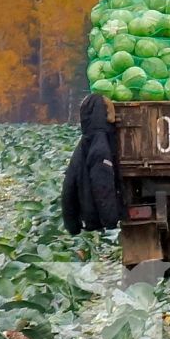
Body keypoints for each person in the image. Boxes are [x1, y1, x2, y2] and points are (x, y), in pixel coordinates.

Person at [61, 92, 123, 234]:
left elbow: (68, 186)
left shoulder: (85, 142)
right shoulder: (100, 145)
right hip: (97, 220)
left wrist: (72, 226)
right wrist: (111, 223)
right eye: (109, 110)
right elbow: (103, 186)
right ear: (103, 113)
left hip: (89, 218)